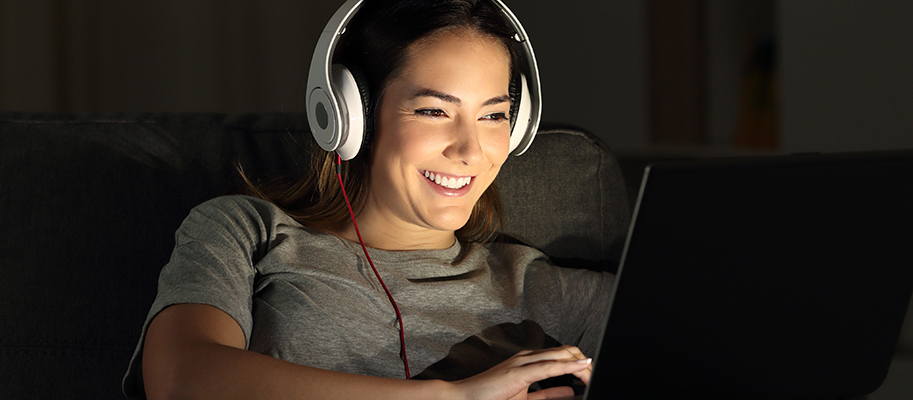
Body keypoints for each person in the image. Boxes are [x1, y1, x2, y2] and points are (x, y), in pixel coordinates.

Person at [122, 1, 614, 399]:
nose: (469, 150)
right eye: (433, 110)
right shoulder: (245, 232)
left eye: (493, 116)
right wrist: (454, 398)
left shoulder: (551, 291)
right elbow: (182, 380)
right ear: (349, 115)